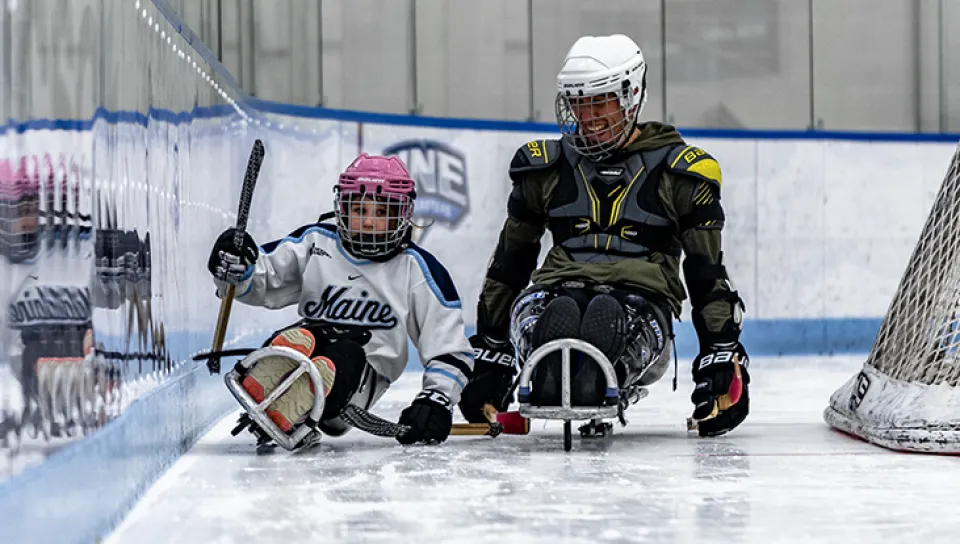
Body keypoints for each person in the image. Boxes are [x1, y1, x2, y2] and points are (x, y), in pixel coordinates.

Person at [459, 34, 750, 437]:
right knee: (556, 318)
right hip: (554, 289)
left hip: (640, 298)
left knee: (604, 318)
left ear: (631, 96)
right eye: (578, 103)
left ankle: (584, 369)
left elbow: (706, 271)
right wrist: (492, 351)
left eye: (600, 102)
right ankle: (553, 368)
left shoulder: (679, 173)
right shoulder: (546, 168)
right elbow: (510, 263)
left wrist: (721, 353)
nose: (587, 116)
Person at [207, 153, 473, 446]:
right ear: (342, 208)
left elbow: (450, 348)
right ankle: (276, 386)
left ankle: (300, 399)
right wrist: (234, 268)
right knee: (301, 338)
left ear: (403, 215)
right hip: (309, 346)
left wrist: (436, 399)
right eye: (360, 209)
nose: (369, 222)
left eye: (382, 213)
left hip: (359, 381)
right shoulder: (315, 243)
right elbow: (262, 278)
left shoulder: (417, 269)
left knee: (346, 353)